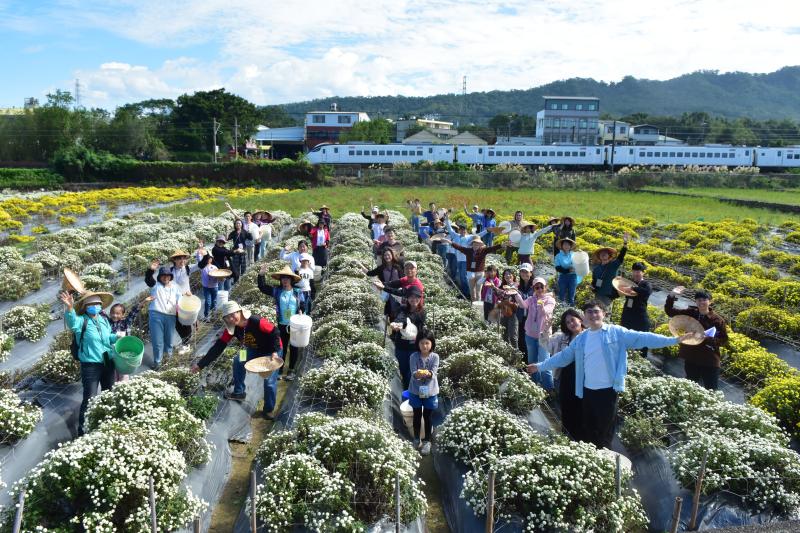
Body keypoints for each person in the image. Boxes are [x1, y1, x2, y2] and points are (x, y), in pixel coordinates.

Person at [529, 300, 693, 449]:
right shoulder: (582, 338)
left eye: (596, 311)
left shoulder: (616, 332)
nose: (593, 315)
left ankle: (603, 457)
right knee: (588, 427)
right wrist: (540, 366)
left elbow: (643, 338)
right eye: (589, 312)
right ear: (584, 317)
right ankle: (591, 457)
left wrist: (673, 340)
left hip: (607, 391)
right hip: (586, 391)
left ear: (603, 314)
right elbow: (563, 357)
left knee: (604, 431)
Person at [191, 301, 282, 418]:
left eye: (233, 314)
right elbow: (218, 347)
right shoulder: (231, 329)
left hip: (272, 349)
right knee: (238, 361)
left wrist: (274, 352)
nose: (231, 319)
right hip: (253, 348)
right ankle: (239, 392)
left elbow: (275, 332)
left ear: (240, 312)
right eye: (227, 317)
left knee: (269, 381)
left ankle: (268, 410)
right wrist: (201, 365)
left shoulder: (256, 321)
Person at [60, 290, 116, 435]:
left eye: (97, 303)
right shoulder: (81, 321)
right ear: (85, 307)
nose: (95, 306)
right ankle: (83, 431)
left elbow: (107, 337)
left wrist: (116, 337)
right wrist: (70, 307)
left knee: (108, 394)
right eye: (91, 304)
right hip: (91, 365)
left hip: (107, 361)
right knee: (90, 398)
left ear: (101, 306)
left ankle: (105, 422)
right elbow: (72, 323)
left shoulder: (103, 319)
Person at [665, 287, 728, 390]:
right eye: (699, 300)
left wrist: (705, 338)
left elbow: (724, 340)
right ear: (695, 301)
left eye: (704, 300)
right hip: (691, 357)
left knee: (711, 390)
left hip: (709, 360)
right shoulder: (691, 312)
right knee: (690, 388)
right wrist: (672, 295)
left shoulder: (717, 320)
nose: (701, 302)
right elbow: (670, 312)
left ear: (710, 301)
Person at [146, 248, 200, 355]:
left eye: (183, 258)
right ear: (174, 260)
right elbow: (151, 281)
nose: (182, 260)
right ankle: (168, 352)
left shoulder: (187, 269)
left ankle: (186, 344)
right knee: (176, 326)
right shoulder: (169, 273)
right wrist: (150, 271)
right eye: (179, 258)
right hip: (171, 306)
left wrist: (203, 252)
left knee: (186, 324)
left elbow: (201, 264)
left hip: (183, 301)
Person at [258, 265, 306, 381]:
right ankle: (279, 369)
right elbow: (263, 287)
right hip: (282, 324)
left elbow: (303, 305)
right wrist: (261, 275)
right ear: (280, 280)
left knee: (294, 347)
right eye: (283, 278)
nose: (285, 280)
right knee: (281, 347)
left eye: (287, 278)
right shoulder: (277, 291)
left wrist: (301, 310)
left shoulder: (297, 292)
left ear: (291, 280)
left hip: (295, 325)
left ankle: (291, 370)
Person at [548, 308, 586, 441]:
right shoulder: (563, 337)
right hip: (566, 377)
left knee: (580, 410)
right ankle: (566, 437)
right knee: (566, 408)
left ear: (580, 320)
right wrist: (546, 327)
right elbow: (546, 344)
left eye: (573, 320)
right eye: (568, 322)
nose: (571, 324)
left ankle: (579, 439)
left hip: (583, 380)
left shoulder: (590, 335)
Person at [514, 276, 556, 391]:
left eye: (541, 287)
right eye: (536, 287)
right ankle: (534, 386)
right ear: (533, 288)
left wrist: (541, 305)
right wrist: (516, 294)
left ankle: (548, 389)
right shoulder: (531, 299)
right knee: (532, 362)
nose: (539, 289)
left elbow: (547, 312)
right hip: (530, 335)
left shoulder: (550, 300)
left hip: (544, 336)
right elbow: (523, 305)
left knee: (545, 363)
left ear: (545, 287)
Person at [148, 266, 189, 369]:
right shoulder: (155, 286)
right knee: (157, 342)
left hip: (171, 316)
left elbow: (180, 301)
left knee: (169, 341)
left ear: (171, 277)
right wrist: (150, 270)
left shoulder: (175, 287)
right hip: (156, 315)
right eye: (163, 275)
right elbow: (148, 278)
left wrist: (187, 297)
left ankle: (167, 363)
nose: (165, 277)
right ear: (159, 277)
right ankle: (158, 364)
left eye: (168, 275)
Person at [446, 236, 507, 301]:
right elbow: (459, 247)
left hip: (480, 273)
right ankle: (474, 306)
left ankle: (478, 306)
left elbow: (492, 248)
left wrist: (501, 245)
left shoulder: (483, 250)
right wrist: (450, 242)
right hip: (471, 273)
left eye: (477, 244)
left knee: (478, 292)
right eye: (474, 244)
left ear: (480, 245)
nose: (476, 245)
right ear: (472, 244)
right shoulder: (468, 250)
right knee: (472, 291)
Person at [408, 329, 439, 456]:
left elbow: (433, 372)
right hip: (416, 390)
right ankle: (416, 438)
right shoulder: (413, 356)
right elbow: (414, 373)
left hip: (430, 391)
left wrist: (427, 373)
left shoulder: (435, 357)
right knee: (416, 414)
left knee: (427, 416)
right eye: (422, 343)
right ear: (418, 344)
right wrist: (419, 374)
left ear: (431, 344)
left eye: (427, 343)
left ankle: (427, 441)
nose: (424, 346)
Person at [389, 285, 426, 388]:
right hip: (401, 346)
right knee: (403, 370)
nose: (414, 299)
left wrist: (402, 325)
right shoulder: (402, 309)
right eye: (411, 297)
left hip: (414, 347)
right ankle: (406, 390)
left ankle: (412, 391)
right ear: (407, 298)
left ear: (420, 298)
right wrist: (395, 323)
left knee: (412, 371)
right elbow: (401, 317)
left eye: (416, 297)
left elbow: (413, 320)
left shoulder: (422, 312)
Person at [618, 262, 653, 358]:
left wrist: (633, 288)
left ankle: (640, 359)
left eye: (638, 271)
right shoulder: (629, 282)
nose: (635, 273)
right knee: (625, 337)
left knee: (641, 340)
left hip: (639, 317)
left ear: (643, 273)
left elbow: (646, 292)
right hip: (627, 315)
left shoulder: (646, 284)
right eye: (634, 271)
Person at [105, 301, 142, 382]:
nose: (115, 315)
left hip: (122, 354)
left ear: (123, 315)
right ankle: (113, 390)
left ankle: (123, 388)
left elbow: (132, 314)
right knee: (111, 375)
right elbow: (101, 313)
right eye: (113, 313)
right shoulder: (107, 322)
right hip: (110, 353)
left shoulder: (125, 323)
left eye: (118, 313)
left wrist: (142, 303)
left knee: (123, 373)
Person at [590, 234, 629, 309]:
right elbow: (594, 281)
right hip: (598, 295)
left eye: (605, 253)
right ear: (599, 256)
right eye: (601, 254)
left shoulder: (613, 265)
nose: (603, 254)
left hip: (608, 297)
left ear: (609, 255)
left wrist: (625, 243)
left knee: (605, 315)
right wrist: (592, 286)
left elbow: (621, 256)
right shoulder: (596, 269)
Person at [363, 249, 403, 320]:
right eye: (385, 255)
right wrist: (359, 265)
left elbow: (403, 278)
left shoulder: (398, 266)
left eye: (388, 255)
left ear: (392, 255)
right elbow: (370, 273)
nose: (387, 257)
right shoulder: (381, 268)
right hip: (387, 291)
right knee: (391, 311)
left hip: (397, 292)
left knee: (398, 311)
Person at [554, 238, 582, 305]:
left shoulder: (574, 254)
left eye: (568, 245)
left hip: (573, 276)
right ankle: (561, 310)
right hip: (563, 276)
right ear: (562, 246)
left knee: (571, 294)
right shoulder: (558, 256)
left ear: (570, 246)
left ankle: (571, 309)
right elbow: (558, 268)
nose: (566, 246)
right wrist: (568, 270)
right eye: (564, 244)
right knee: (562, 294)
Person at [496, 268, 519, 347]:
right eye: (505, 274)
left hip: (513, 313)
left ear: (513, 276)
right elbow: (499, 297)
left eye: (509, 274)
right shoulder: (502, 286)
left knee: (513, 336)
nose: (507, 276)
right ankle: (506, 353)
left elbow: (519, 299)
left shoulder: (517, 285)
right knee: (504, 335)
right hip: (504, 312)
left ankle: (516, 355)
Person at [516, 263, 535, 354]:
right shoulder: (518, 286)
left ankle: (529, 362)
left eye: (526, 272)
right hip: (521, 317)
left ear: (531, 273)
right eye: (522, 272)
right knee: (521, 340)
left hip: (531, 318)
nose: (524, 274)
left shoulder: (536, 286)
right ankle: (523, 362)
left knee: (530, 340)